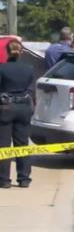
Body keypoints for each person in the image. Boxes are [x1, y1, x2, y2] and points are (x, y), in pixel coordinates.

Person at [0, 40, 35, 188]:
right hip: (24, 108)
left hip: (6, 108)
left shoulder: (2, 69)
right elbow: (31, 88)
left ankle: (4, 179)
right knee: (22, 144)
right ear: (21, 52)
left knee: (4, 145)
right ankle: (24, 178)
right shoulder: (29, 68)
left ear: (7, 52)